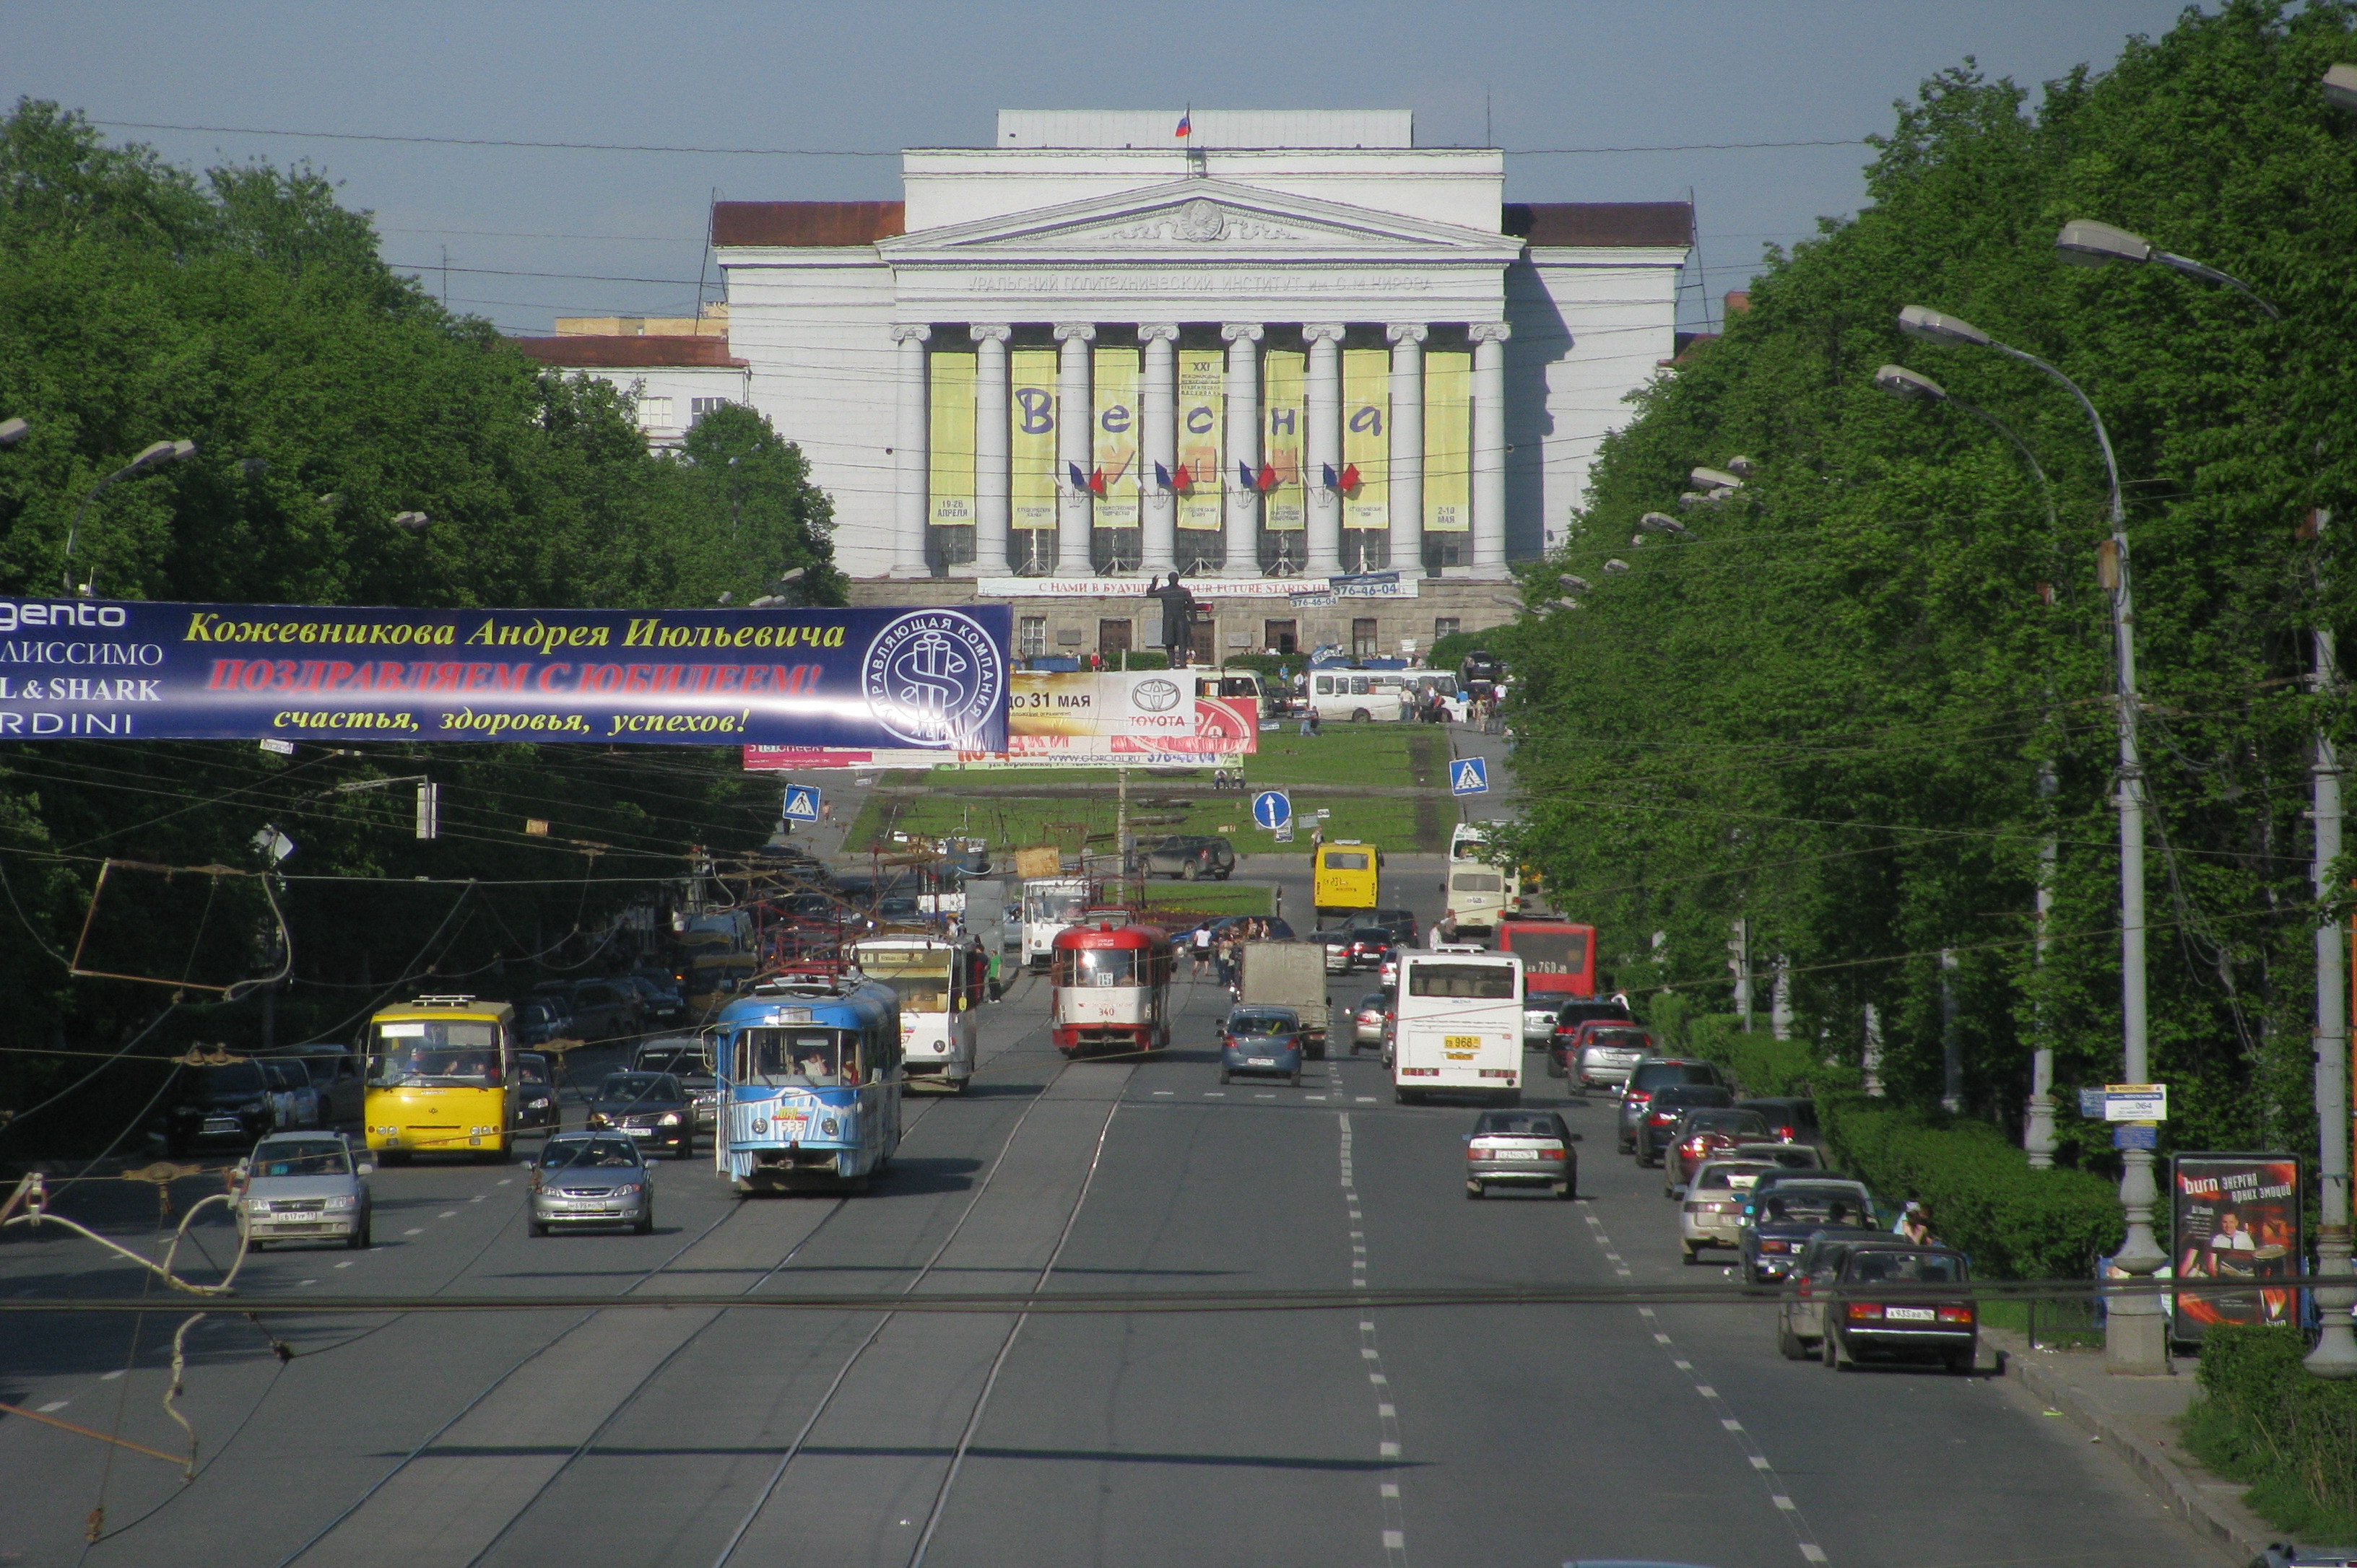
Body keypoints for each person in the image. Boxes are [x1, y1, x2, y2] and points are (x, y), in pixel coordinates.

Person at [1147, 572, 1197, 668]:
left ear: (1178, 579)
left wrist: (1193, 618)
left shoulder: (1184, 591)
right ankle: (1171, 663)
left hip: (1181, 620)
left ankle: (1183, 662)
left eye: (1175, 578)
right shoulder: (1164, 591)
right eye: (1172, 578)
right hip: (1169, 620)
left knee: (1183, 642)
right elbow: (1150, 594)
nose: (1173, 580)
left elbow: (1192, 604)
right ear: (1169, 579)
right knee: (1169, 643)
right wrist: (1153, 584)